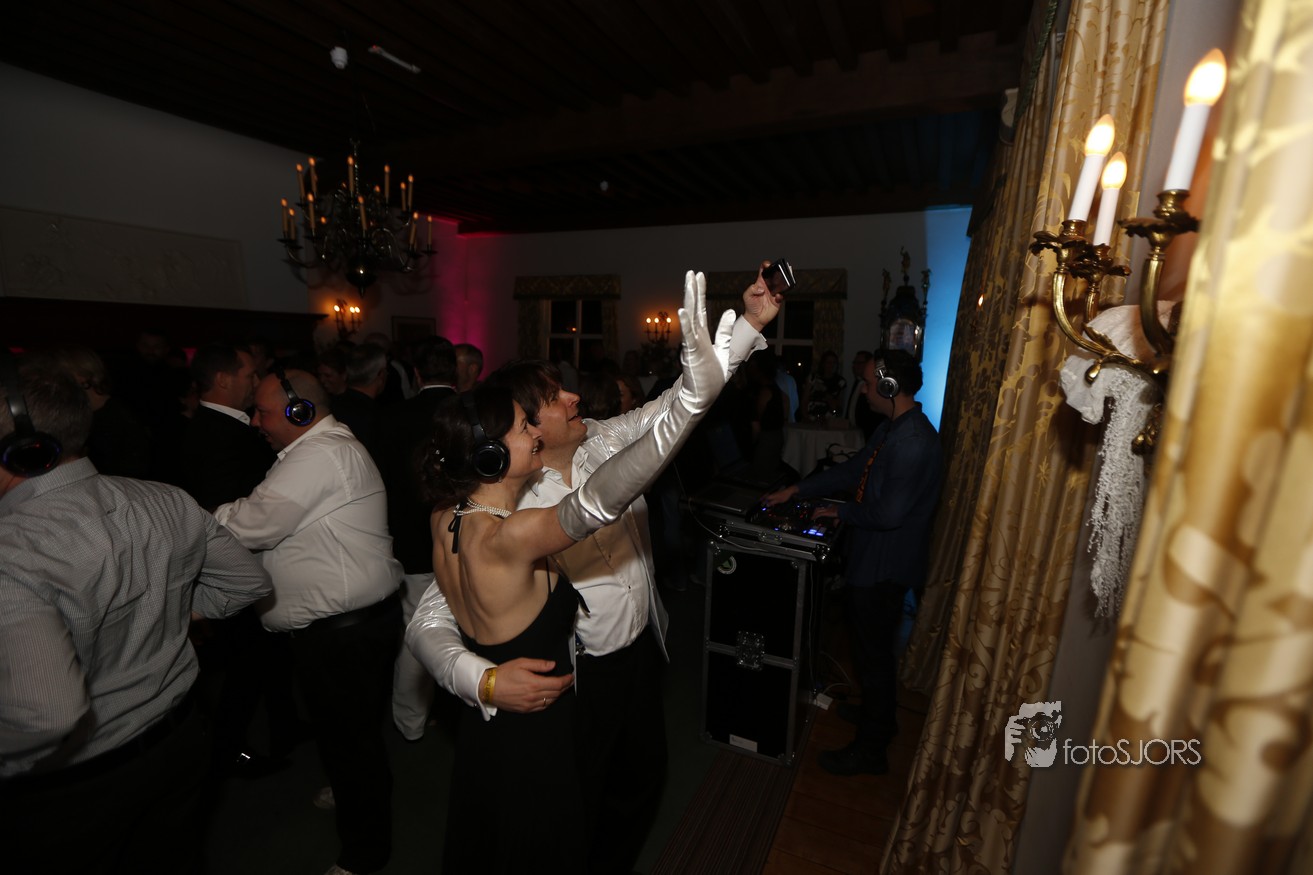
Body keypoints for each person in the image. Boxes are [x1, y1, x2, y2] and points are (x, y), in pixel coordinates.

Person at [409, 266, 781, 873]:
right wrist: (482, 679)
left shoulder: (601, 440)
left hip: (641, 649)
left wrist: (747, 327)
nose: (574, 398)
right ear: (521, 431)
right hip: (575, 679)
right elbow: (429, 618)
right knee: (571, 806)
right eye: (553, 399)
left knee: (642, 781)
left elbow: (673, 409)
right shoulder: (500, 504)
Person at [0, 353, 271, 875]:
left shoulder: (12, 552)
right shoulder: (166, 500)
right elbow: (248, 582)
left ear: (23, 448)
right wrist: (172, 613)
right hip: (180, 740)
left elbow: (46, 715)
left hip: (73, 787)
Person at [214, 369, 402, 875]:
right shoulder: (317, 451)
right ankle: (353, 791)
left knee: (352, 743)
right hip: (348, 628)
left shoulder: (320, 454)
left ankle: (364, 855)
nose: (255, 422)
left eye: (263, 412)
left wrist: (207, 516)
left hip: (344, 633)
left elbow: (250, 525)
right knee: (352, 737)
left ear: (301, 412)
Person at [764, 348, 942, 776]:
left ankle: (872, 749)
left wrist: (840, 512)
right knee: (870, 653)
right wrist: (798, 490)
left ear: (889, 386)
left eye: (867, 382)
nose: (862, 390)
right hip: (875, 559)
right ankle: (879, 718)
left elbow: (888, 514)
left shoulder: (913, 442)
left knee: (874, 657)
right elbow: (853, 471)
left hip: (885, 567)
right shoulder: (892, 429)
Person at [369, 336, 459, 740]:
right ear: (453, 371)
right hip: (464, 539)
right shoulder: (470, 412)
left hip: (411, 542)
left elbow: (381, 484)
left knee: (416, 633)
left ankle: (410, 722)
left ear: (417, 373)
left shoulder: (391, 417)